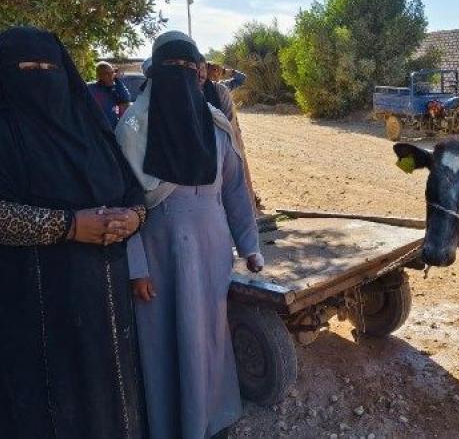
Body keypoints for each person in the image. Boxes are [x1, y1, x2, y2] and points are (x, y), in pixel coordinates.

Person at [0, 26, 147, 438]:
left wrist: (134, 218)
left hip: (104, 303)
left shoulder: (90, 130)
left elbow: (132, 192)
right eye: (26, 68)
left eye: (49, 67)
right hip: (33, 307)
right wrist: (69, 226)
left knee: (107, 403)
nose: (40, 76)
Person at [117, 31, 264, 439]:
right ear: (154, 73)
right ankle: (171, 426)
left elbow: (234, 189)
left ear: (198, 72)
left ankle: (212, 419)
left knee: (210, 338)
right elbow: (121, 203)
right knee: (164, 342)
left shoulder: (215, 126)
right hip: (158, 255)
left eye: (188, 67)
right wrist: (135, 267)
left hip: (212, 250)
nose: (180, 75)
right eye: (171, 68)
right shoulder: (132, 130)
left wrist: (250, 245)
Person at [197, 57, 261, 214]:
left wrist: (227, 71)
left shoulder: (221, 88)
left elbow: (241, 78)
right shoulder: (190, 91)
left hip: (230, 141)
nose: (201, 73)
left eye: (204, 69)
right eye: (197, 69)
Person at [88, 61, 131, 128]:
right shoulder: (90, 88)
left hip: (111, 128)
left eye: (111, 73)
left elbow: (126, 99)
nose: (110, 76)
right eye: (106, 73)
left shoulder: (114, 89)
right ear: (99, 75)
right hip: (94, 128)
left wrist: (117, 80)